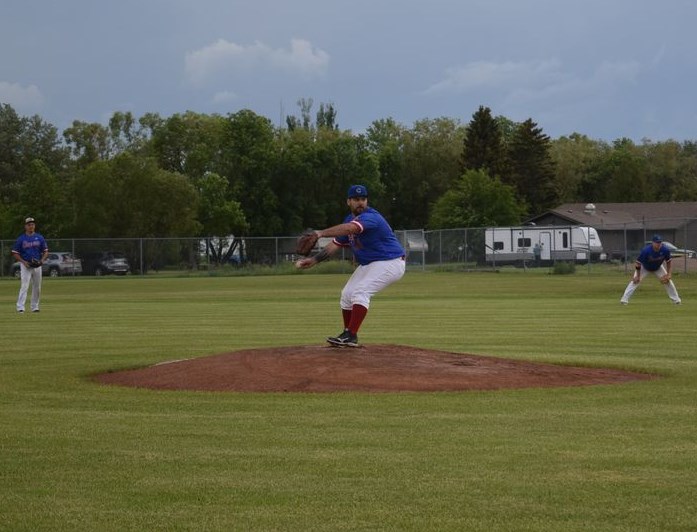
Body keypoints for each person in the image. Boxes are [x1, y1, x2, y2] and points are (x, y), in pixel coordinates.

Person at [295, 184, 406, 347]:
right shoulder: (349, 220)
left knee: (361, 291)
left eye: (363, 199)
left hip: (390, 261)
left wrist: (320, 233)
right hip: (371, 263)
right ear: (348, 201)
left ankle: (351, 335)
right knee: (347, 294)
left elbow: (351, 228)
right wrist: (313, 260)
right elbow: (335, 245)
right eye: (356, 199)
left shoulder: (371, 217)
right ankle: (348, 333)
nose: (360, 202)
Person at [620, 234, 681, 305]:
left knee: (668, 281)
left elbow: (668, 262)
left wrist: (669, 274)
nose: (659, 244)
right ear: (653, 243)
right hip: (644, 267)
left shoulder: (665, 250)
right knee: (635, 281)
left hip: (658, 267)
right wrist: (638, 276)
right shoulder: (646, 251)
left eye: (660, 242)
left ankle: (676, 300)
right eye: (657, 242)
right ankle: (624, 300)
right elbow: (637, 263)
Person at [12, 217, 49, 313]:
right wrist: (24, 262)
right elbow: (15, 252)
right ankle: (20, 307)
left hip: (37, 265)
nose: (31, 226)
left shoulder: (40, 237)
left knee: (37, 287)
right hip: (26, 265)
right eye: (29, 224)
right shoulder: (21, 239)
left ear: (34, 226)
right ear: (25, 226)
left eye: (32, 224)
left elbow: (45, 251)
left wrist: (42, 261)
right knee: (24, 286)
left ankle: (35, 307)